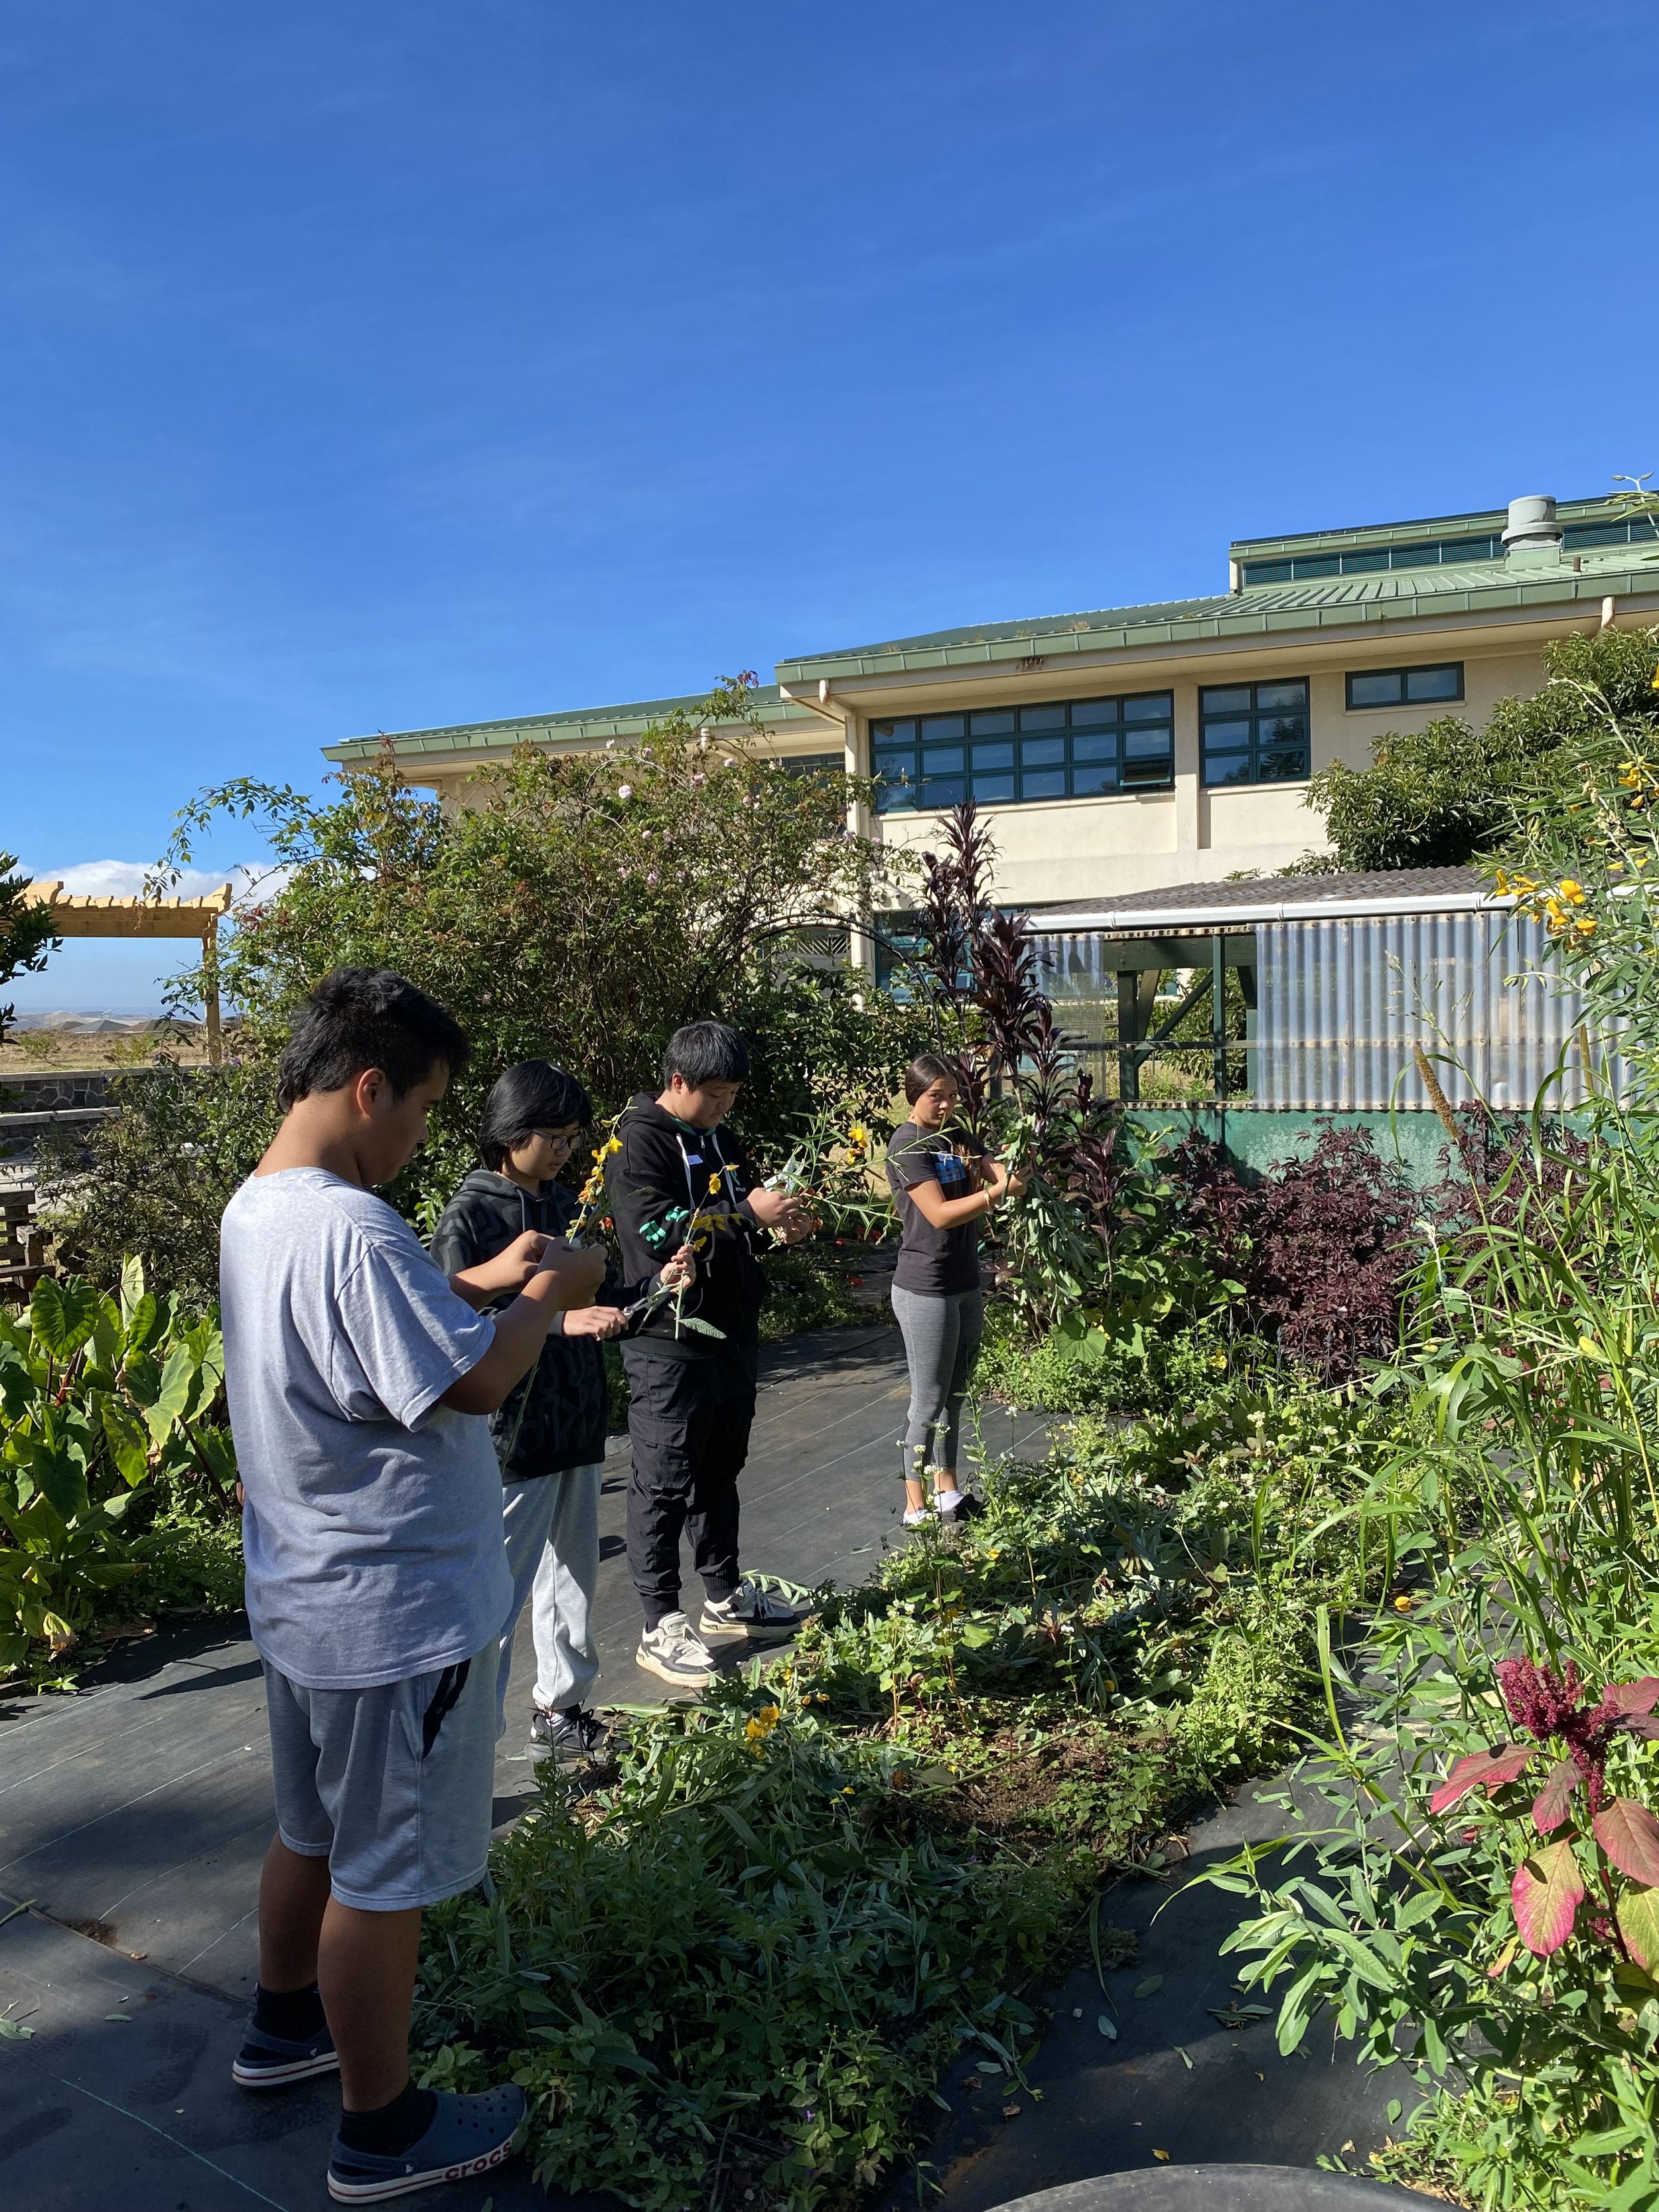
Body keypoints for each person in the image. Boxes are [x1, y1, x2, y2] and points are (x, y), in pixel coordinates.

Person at [219, 968, 606, 2204]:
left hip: (304, 1593)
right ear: (369, 1084)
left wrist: (489, 1283)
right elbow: (477, 1385)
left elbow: (371, 1334)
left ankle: (285, 2030)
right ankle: (379, 2130)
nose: (424, 1136)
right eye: (426, 1108)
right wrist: (551, 1290)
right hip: (395, 1614)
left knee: (311, 1830)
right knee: (380, 1875)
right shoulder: (351, 1223)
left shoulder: (261, 1209)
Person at [427, 1061, 693, 1767]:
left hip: (576, 1424)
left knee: (571, 1578)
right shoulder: (474, 1213)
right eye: (553, 1136)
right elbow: (448, 1320)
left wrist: (654, 1288)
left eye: (575, 1138)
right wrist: (553, 1321)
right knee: (497, 1595)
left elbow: (602, 1303)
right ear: (508, 1134)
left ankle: (561, 1709)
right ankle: (464, 1738)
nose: (566, 1152)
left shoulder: (566, 1205)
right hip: (509, 1435)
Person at [604, 1019, 810, 1688]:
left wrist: (777, 1225)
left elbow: (741, 1216)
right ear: (677, 1081)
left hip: (730, 1333)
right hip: (672, 1341)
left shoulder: (718, 1138)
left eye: (730, 1097)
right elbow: (655, 1227)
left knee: (721, 1468)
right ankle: (658, 1621)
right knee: (663, 1480)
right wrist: (747, 1213)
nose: (724, 1108)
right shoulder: (637, 1144)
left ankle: (724, 1596)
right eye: (714, 1095)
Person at [885, 1052, 1023, 1528]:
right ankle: (914, 1503)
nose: (944, 1105)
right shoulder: (907, 1145)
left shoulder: (958, 1136)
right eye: (934, 1096)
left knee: (957, 1393)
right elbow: (941, 1213)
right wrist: (996, 1193)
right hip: (926, 1287)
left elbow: (999, 1172)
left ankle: (948, 1490)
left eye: (950, 1095)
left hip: (965, 1282)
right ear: (914, 1095)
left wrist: (1012, 1172)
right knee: (928, 1397)